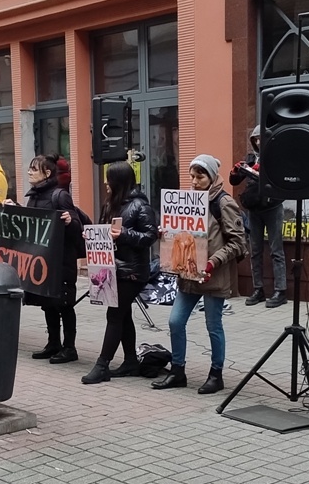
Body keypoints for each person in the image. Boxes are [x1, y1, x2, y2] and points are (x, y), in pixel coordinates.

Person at [153, 155, 248, 395]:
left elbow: (238, 242)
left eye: (200, 176)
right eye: (192, 176)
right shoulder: (187, 201)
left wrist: (213, 261)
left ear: (213, 176)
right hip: (188, 274)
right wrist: (166, 234)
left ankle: (216, 374)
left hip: (212, 276)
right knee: (175, 321)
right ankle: (177, 370)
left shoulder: (224, 203)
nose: (194, 181)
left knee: (213, 325)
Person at [82, 161, 156, 384]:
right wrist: (93, 235)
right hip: (113, 268)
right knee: (122, 315)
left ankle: (102, 364)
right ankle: (131, 361)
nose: (105, 183)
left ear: (119, 182)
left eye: (109, 179)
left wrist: (122, 234)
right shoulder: (112, 204)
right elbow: (105, 229)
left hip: (132, 271)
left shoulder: (140, 206)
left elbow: (150, 236)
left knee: (114, 314)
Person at [24, 156, 84, 364]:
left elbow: (77, 227)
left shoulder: (60, 195)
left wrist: (70, 221)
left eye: (34, 169)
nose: (29, 172)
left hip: (62, 261)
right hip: (43, 261)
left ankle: (70, 348)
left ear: (47, 173)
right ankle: (53, 343)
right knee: (47, 302)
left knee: (65, 304)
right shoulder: (33, 197)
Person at [229, 125, 285, 308]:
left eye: (262, 138)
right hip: (254, 208)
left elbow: (279, 180)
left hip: (273, 206)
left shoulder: (276, 157)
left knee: (276, 250)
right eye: (256, 139)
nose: (259, 142)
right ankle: (258, 289)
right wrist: (236, 171)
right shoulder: (251, 158)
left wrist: (259, 171)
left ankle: (280, 291)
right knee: (255, 251)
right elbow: (235, 181)